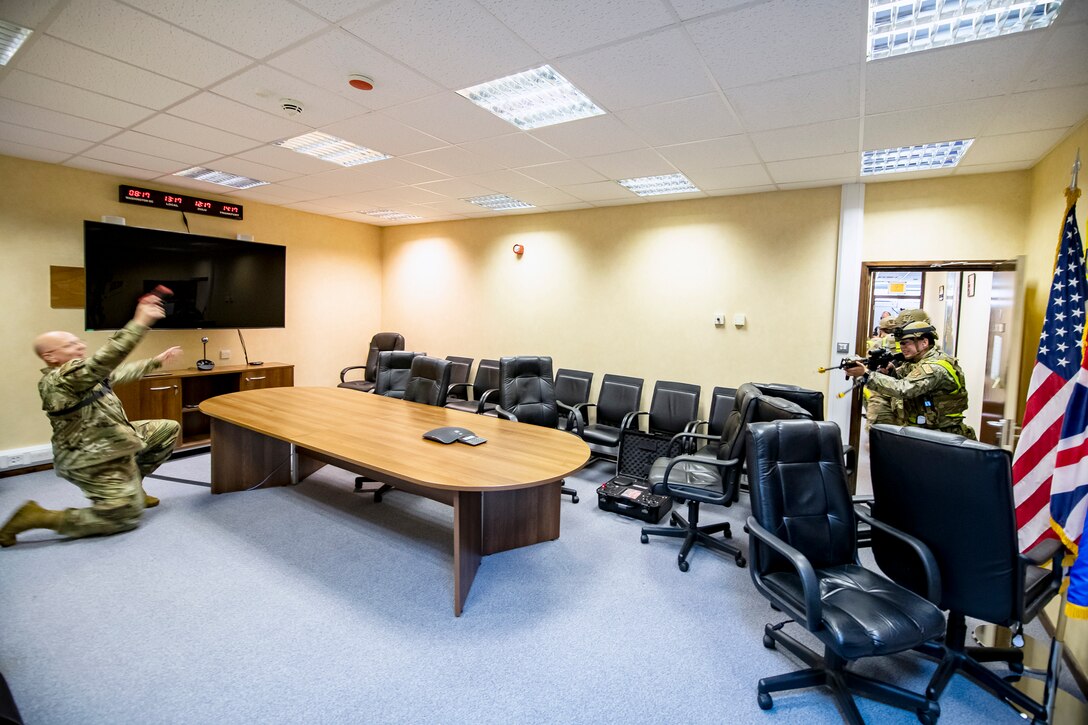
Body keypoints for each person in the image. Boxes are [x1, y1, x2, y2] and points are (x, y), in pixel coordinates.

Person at [0, 289, 183, 547]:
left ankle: (133, 485)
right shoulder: (60, 379)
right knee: (124, 518)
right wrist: (139, 323)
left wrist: (155, 361)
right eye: (70, 345)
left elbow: (117, 373)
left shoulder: (83, 376)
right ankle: (36, 517)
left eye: (78, 342)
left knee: (166, 429)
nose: (80, 346)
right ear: (50, 356)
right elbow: (105, 361)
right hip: (89, 457)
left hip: (113, 440)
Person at [846, 320, 976, 439]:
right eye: (900, 343)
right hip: (927, 431)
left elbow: (904, 389)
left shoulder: (935, 367)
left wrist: (867, 374)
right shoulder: (918, 361)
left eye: (906, 342)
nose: (902, 347)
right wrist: (890, 371)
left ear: (924, 342)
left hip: (944, 435)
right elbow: (905, 378)